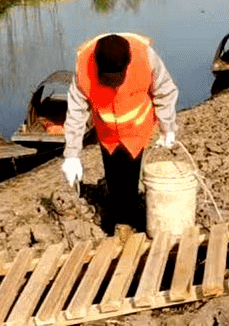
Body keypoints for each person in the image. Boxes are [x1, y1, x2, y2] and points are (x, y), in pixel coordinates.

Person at [61, 32, 179, 237]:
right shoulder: (83, 67)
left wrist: (167, 127)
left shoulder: (146, 57)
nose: (113, 84)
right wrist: (72, 154)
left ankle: (128, 220)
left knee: (130, 173)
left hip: (136, 129)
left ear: (128, 62)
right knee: (113, 172)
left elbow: (165, 91)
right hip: (107, 132)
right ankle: (117, 212)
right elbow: (76, 112)